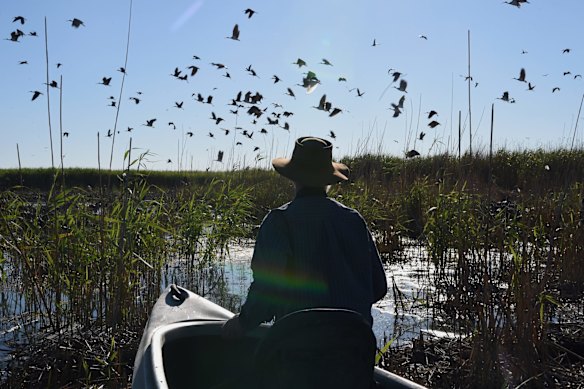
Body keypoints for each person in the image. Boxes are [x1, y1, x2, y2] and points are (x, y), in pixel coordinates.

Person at [222, 136, 387, 337]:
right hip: (356, 347)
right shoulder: (353, 220)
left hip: (298, 349)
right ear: (328, 180)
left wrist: (242, 323)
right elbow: (378, 287)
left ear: (293, 177)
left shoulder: (280, 222)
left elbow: (265, 295)